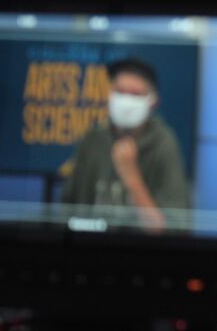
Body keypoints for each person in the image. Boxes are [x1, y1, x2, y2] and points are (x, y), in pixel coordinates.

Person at [62, 58, 189, 231]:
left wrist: (132, 177)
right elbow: (67, 213)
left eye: (136, 94)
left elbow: (165, 229)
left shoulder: (164, 144)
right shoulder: (93, 139)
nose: (126, 101)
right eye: (120, 91)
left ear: (153, 101)